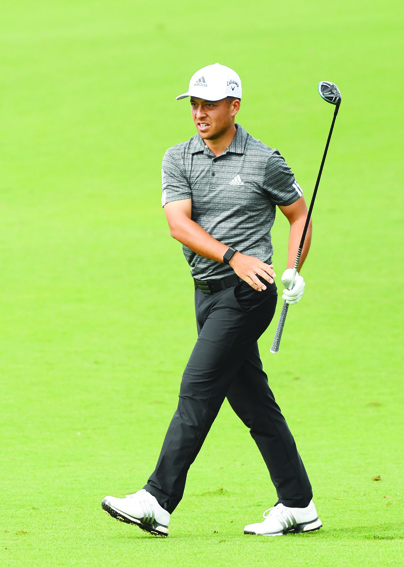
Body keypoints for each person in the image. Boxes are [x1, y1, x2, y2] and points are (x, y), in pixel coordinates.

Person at [101, 63, 322, 537]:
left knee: (198, 386)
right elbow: (178, 224)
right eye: (194, 104)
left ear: (234, 107)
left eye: (209, 104)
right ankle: (299, 505)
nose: (199, 113)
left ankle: (157, 501)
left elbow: (298, 215)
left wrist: (291, 268)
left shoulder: (264, 160)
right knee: (254, 404)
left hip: (251, 293)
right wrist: (231, 255)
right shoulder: (178, 158)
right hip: (208, 292)